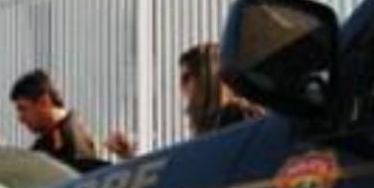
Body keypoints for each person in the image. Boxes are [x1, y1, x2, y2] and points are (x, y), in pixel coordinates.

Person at [106, 42, 261, 158]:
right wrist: (131, 158)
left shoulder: (238, 117)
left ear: (208, 78)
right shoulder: (213, 122)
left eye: (186, 78)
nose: (181, 87)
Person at [9, 69, 99, 171]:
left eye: (23, 109)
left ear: (44, 102)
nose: (21, 119)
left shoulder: (73, 138)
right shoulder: (49, 139)